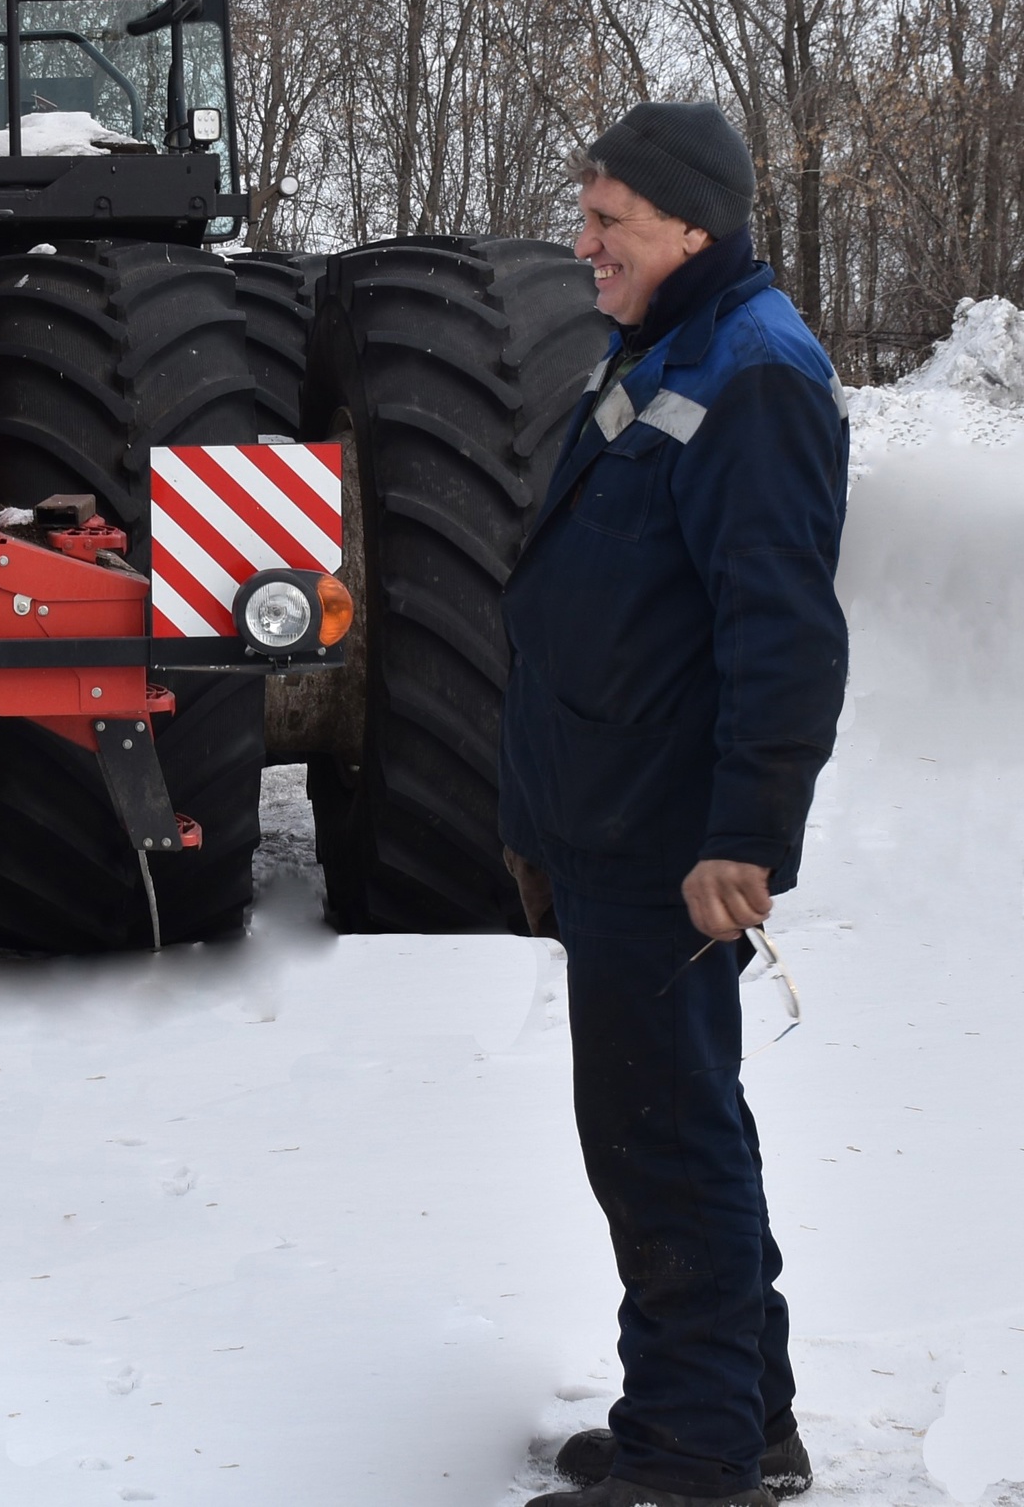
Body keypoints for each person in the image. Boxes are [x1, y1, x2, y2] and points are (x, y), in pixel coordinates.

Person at [501, 100, 849, 1507]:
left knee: (664, 1139)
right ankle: (726, 1408)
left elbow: (783, 632)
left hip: (666, 841)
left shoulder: (755, 371)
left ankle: (696, 1456)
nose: (582, 245)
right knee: (666, 1123)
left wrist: (745, 833)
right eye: (584, 216)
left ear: (692, 225)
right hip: (609, 819)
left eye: (610, 223)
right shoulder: (663, 348)